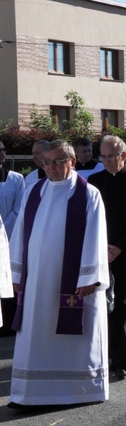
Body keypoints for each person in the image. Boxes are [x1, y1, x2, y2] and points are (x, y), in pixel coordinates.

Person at [8, 139, 110, 408]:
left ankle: (81, 390)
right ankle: (29, 394)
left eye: (57, 161)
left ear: (72, 162)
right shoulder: (34, 191)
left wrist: (89, 277)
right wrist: (15, 274)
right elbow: (19, 235)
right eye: (46, 162)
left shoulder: (88, 194)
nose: (50, 167)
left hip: (74, 282)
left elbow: (95, 237)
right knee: (35, 332)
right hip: (37, 281)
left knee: (75, 336)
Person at [88, 135, 126, 379]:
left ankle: (123, 359)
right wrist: (103, 246)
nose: (106, 161)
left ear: (123, 156)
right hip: (100, 250)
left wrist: (119, 247)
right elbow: (91, 217)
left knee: (125, 303)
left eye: (111, 156)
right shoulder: (94, 181)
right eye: (102, 157)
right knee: (103, 304)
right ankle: (105, 354)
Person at [0, 140, 25, 336]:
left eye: (2, 150)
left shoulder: (17, 179)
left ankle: (10, 323)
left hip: (9, 236)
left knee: (8, 279)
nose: (0, 154)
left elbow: (19, 209)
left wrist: (3, 230)